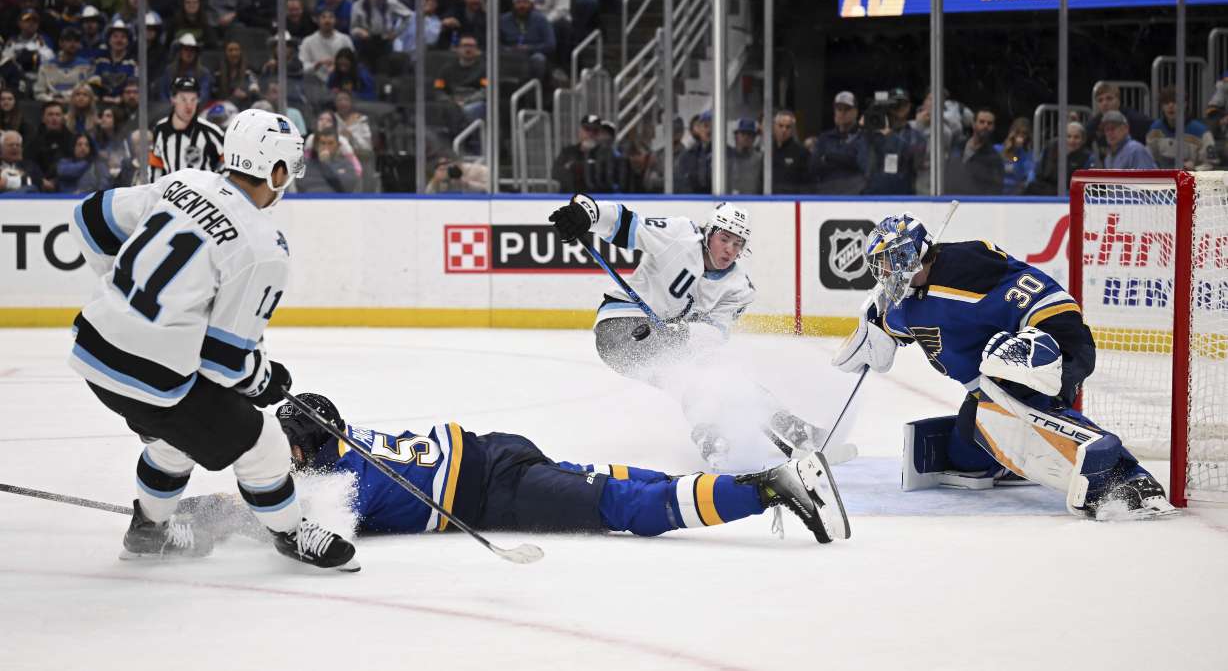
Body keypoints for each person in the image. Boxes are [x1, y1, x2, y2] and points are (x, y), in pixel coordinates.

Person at [66, 107, 358, 570]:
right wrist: (266, 381)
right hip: (152, 378)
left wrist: (122, 294)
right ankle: (291, 534)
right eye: (288, 168)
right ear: (276, 171)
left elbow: (89, 219)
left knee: (178, 434)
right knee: (264, 441)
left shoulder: (183, 182)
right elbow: (225, 363)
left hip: (93, 347)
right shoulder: (264, 246)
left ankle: (148, 532)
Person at [831, 215, 1177, 521]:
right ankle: (1015, 459)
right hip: (996, 379)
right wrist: (873, 328)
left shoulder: (963, 263)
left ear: (912, 254)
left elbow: (994, 261)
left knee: (1006, 375)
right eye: (881, 266)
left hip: (1055, 337)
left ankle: (1128, 477)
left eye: (890, 262)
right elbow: (888, 331)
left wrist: (1030, 342)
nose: (886, 273)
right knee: (966, 452)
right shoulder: (904, 309)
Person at [271, 392, 849, 543]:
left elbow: (309, 530)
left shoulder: (343, 483)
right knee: (621, 482)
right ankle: (745, 485)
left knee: (625, 508)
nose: (287, 457)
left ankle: (772, 487)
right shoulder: (347, 444)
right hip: (494, 450)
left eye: (292, 447)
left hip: (496, 490)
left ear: (313, 444)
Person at [549, 196, 856, 472]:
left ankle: (783, 429)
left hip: (660, 341)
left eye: (738, 244)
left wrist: (683, 333)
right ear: (709, 233)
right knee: (695, 374)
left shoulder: (738, 288)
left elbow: (715, 332)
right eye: (724, 239)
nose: (730, 249)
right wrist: (587, 213)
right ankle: (712, 437)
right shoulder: (679, 235)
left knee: (711, 375)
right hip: (620, 328)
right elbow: (627, 223)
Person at [150, 76, 225, 181]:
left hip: (202, 190)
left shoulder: (210, 131)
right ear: (173, 99)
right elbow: (156, 165)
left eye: (193, 100)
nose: (189, 106)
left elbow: (229, 157)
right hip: (170, 190)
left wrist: (216, 181)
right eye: (183, 99)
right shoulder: (160, 130)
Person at [1146, 86, 1218, 171]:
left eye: (1175, 102)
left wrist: (1194, 169)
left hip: (1191, 178)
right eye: (1166, 102)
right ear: (1162, 106)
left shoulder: (1202, 132)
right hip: (1163, 178)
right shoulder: (1155, 129)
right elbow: (1149, 159)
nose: (1170, 106)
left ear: (1185, 104)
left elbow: (1211, 165)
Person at [810, 91, 865, 195]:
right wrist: (845, 158)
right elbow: (814, 166)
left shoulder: (863, 137)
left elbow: (859, 162)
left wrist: (828, 157)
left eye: (847, 109)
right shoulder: (825, 137)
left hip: (855, 197)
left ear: (856, 112)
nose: (842, 113)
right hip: (828, 195)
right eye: (839, 109)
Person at [1026, 121, 1097, 196]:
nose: (1072, 140)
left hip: (1069, 194)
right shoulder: (1050, 147)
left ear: (1083, 140)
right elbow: (1036, 170)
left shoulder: (1087, 157)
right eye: (1068, 136)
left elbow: (1086, 186)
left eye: (1076, 137)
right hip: (1044, 189)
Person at [351, 0, 411, 67]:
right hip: (366, 42)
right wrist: (359, 31)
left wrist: (396, 33)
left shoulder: (390, 2)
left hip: (385, 42)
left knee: (384, 70)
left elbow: (408, 15)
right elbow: (353, 29)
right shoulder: (358, 5)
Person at [499, 0, 555, 82]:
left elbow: (550, 44)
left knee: (539, 59)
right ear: (513, 4)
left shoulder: (541, 19)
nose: (522, 6)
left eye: (525, 2)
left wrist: (529, 48)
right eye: (518, 2)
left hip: (532, 54)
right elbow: (496, 43)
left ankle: (534, 88)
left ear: (532, 4)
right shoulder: (503, 20)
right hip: (509, 54)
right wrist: (508, 49)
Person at [947, 107, 1003, 196]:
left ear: (993, 127)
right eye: (982, 122)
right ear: (973, 124)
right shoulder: (957, 145)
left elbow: (995, 190)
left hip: (973, 202)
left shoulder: (994, 159)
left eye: (989, 123)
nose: (985, 126)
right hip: (948, 200)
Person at [34, 26, 93, 103]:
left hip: (76, 106)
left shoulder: (86, 66)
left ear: (79, 44)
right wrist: (52, 100)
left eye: (76, 40)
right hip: (52, 105)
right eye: (68, 40)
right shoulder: (46, 66)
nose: (73, 43)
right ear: (60, 43)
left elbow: (89, 93)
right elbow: (39, 93)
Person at [32, 102, 78, 192]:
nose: (54, 118)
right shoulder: (34, 140)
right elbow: (29, 164)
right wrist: (41, 180)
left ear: (63, 118)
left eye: (57, 115)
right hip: (40, 185)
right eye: (50, 114)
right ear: (43, 118)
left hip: (67, 185)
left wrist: (56, 181)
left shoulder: (73, 140)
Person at [93, 19, 139, 107]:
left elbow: (134, 87)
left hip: (124, 105)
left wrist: (121, 98)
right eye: (115, 36)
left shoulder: (133, 63)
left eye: (123, 37)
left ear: (128, 41)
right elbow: (94, 83)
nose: (119, 40)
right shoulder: (100, 61)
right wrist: (101, 98)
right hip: (100, 103)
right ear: (109, 40)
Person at [299, 126, 360, 192]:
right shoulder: (306, 165)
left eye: (330, 143)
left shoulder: (346, 164)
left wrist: (327, 164)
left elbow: (348, 185)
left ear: (338, 145)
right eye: (323, 143)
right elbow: (303, 184)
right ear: (317, 145)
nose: (326, 147)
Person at [769, 110, 810, 193]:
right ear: (774, 127)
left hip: (792, 198)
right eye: (780, 126)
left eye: (788, 127)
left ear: (792, 130)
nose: (784, 130)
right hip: (769, 198)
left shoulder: (801, 152)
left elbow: (807, 183)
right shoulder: (768, 150)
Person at [994, 117, 1034, 195]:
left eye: (1024, 133)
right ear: (1011, 133)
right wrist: (1006, 152)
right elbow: (993, 169)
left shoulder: (1025, 155)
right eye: (1017, 132)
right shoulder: (997, 149)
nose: (1020, 136)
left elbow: (1022, 174)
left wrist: (1015, 153)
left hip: (1015, 193)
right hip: (996, 191)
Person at [727, 118, 762, 195]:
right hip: (728, 200)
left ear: (754, 138)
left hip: (754, 200)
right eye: (743, 133)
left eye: (749, 134)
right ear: (736, 136)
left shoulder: (760, 159)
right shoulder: (727, 157)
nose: (746, 137)